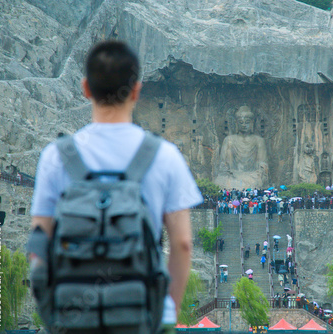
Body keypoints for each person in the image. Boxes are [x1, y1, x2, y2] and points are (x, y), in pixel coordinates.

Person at [27, 41, 203, 334]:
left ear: (86, 88)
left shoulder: (56, 156)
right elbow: (182, 244)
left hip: (72, 317)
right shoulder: (164, 156)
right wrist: (165, 310)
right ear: (136, 90)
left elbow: (38, 243)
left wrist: (51, 311)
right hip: (140, 316)